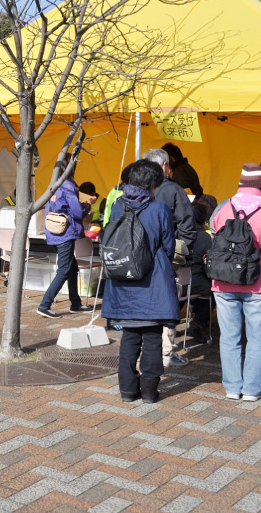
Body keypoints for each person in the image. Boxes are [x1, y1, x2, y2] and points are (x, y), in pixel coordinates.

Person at [101, 159, 179, 403]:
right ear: (154, 182)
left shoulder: (117, 205)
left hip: (123, 280)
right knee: (153, 338)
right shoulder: (160, 209)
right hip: (152, 282)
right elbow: (167, 246)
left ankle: (127, 391)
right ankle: (149, 392)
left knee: (130, 337)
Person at [210, 163, 261, 402]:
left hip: (223, 281)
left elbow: (214, 235)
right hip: (258, 282)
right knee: (258, 337)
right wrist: (260, 263)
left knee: (229, 336)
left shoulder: (223, 206)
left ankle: (232, 388)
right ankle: (252, 389)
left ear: (241, 183)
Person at [144, 147, 197, 368]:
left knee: (146, 303)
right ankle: (165, 352)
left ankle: (146, 348)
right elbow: (188, 226)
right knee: (168, 303)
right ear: (165, 165)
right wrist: (180, 252)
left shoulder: (135, 188)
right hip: (166, 258)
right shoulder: (174, 190)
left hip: (140, 257)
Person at [36, 158, 90, 318]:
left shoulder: (55, 184)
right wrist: (87, 205)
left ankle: (76, 303)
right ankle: (45, 305)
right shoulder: (69, 186)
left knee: (72, 268)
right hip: (65, 233)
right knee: (65, 269)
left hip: (53, 231)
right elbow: (78, 213)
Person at [183, 202, 214, 344]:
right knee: (214, 290)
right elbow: (208, 265)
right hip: (196, 280)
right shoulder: (204, 237)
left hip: (177, 280)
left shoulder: (179, 232)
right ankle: (199, 323)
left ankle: (169, 322)